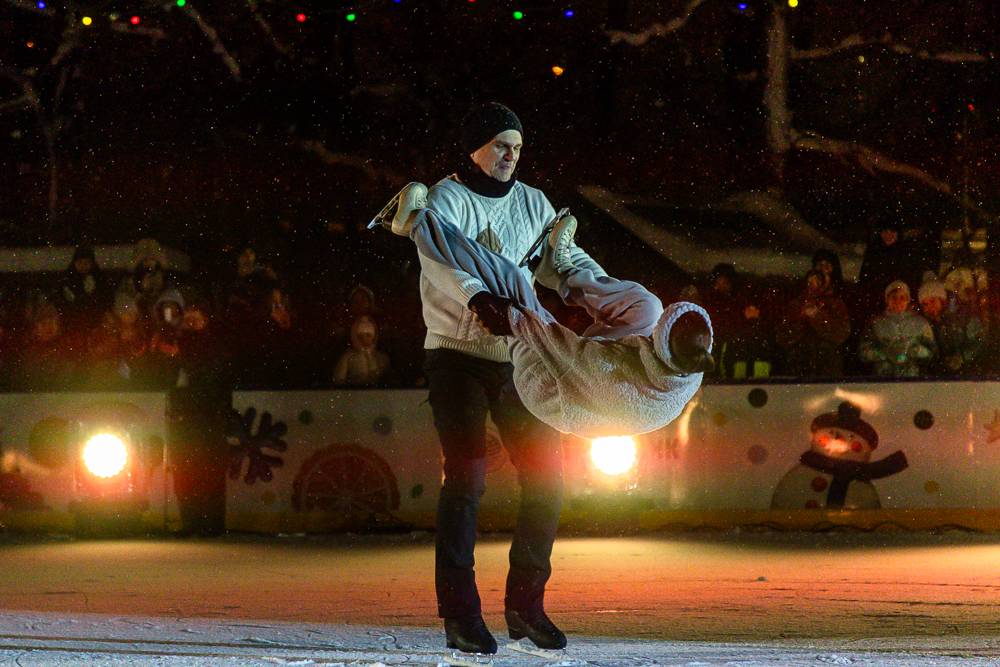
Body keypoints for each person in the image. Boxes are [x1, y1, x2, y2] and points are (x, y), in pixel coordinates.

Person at [370, 102, 712, 654]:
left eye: (518, 147)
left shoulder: (534, 203)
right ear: (475, 146)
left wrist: (588, 282)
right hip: (455, 355)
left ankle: (526, 608)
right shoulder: (448, 198)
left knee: (546, 479)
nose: (511, 155)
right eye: (501, 145)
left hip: (520, 353)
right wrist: (475, 296)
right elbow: (441, 263)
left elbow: (561, 264)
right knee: (466, 482)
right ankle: (459, 615)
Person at [775, 268, 851, 377]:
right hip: (798, 367)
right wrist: (801, 317)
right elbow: (782, 336)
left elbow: (841, 334)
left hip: (828, 367)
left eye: (818, 281)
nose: (814, 285)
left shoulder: (836, 305)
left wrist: (818, 317)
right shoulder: (795, 305)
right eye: (811, 282)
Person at [857, 280, 936, 377]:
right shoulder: (875, 323)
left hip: (913, 380)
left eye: (902, 298)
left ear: (908, 300)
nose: (898, 302)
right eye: (893, 298)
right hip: (883, 380)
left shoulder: (921, 323)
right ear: (887, 300)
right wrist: (883, 353)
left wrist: (917, 351)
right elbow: (862, 353)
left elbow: (933, 353)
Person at [917, 272, 984, 375]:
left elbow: (979, 341)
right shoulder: (925, 323)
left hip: (969, 375)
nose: (930, 306)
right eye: (925, 304)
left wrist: (962, 357)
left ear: (942, 300)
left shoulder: (964, 316)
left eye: (933, 301)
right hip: (940, 377)